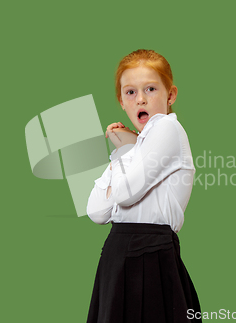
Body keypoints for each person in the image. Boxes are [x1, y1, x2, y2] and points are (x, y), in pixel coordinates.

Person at [86, 49, 202, 323]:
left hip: (149, 255)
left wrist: (124, 151)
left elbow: (123, 195)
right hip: (117, 254)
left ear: (170, 95)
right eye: (130, 92)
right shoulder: (138, 149)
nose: (140, 98)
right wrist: (126, 150)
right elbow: (97, 211)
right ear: (121, 102)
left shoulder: (166, 128)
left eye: (150, 88)